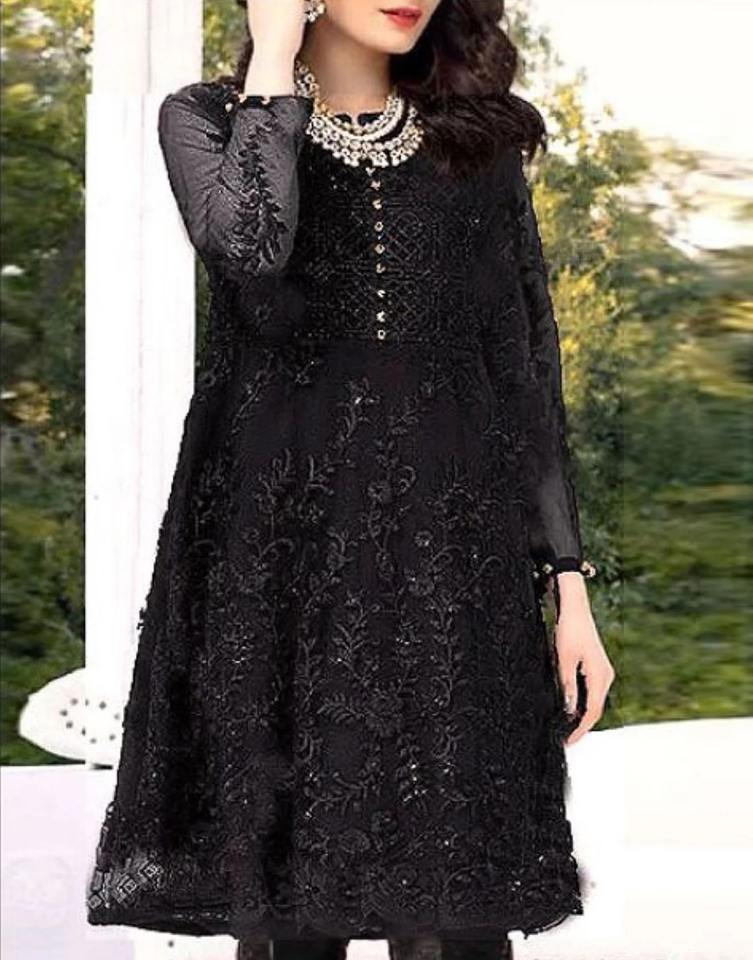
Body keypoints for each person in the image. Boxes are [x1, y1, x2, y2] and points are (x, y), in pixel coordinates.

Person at [85, 1, 616, 957]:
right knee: (294, 913)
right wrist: (275, 55)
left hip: (451, 570)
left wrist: (568, 588)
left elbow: (521, 368)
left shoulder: (477, 142)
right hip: (276, 571)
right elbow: (249, 246)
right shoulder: (207, 119)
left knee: (457, 910)